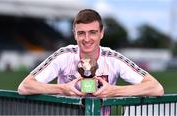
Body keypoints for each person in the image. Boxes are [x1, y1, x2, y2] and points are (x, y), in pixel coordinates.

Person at [18, 9, 164, 98]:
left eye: (92, 32)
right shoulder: (64, 55)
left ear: (102, 33)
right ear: (74, 35)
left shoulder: (113, 58)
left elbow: (156, 88)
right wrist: (62, 88)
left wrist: (114, 91)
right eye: (81, 33)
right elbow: (24, 86)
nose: (87, 39)